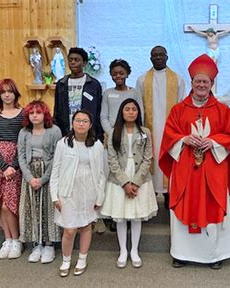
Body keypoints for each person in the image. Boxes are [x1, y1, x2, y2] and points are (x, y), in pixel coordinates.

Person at [159, 54, 230, 269]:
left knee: (212, 204)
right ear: (192, 83)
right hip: (185, 168)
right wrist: (183, 139)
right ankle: (181, 253)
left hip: (213, 169)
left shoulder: (222, 110)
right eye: (198, 81)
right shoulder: (178, 110)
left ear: (212, 84)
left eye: (206, 81)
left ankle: (215, 255)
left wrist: (214, 142)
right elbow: (168, 136)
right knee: (184, 204)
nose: (201, 85)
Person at [101, 99, 158, 268]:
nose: (131, 112)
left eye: (134, 109)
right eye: (127, 109)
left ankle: (134, 250)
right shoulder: (114, 132)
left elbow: (148, 158)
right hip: (119, 178)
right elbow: (111, 159)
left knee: (136, 215)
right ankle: (123, 250)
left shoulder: (145, 132)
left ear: (138, 112)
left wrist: (136, 181)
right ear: (122, 112)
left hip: (140, 177)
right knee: (121, 216)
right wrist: (125, 183)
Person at [50, 110, 105, 277]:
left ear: (90, 125)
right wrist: (55, 196)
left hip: (89, 191)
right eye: (78, 120)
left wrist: (100, 196)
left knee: (86, 226)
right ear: (72, 123)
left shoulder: (97, 145)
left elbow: (102, 173)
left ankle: (82, 258)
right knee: (69, 229)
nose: (81, 124)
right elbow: (56, 171)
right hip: (68, 192)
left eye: (85, 121)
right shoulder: (63, 143)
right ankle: (66, 260)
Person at [136, 46, 185, 208]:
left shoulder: (177, 80)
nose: (158, 57)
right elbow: (139, 107)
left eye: (161, 55)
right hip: (149, 131)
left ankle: (169, 195)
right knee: (151, 162)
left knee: (168, 163)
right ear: (150, 58)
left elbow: (181, 107)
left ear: (167, 57)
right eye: (155, 55)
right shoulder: (142, 80)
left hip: (170, 132)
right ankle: (150, 199)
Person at [17, 100, 62, 264]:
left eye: (38, 112)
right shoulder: (24, 132)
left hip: (48, 175)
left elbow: (58, 157)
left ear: (45, 114)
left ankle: (49, 244)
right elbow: (21, 156)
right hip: (30, 175)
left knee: (47, 208)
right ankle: (37, 244)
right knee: (33, 208)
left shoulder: (54, 131)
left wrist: (43, 179)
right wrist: (29, 178)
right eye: (31, 113)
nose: (35, 116)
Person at [0, 79, 24, 259]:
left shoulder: (23, 114)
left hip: (16, 162)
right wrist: (3, 166)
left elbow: (23, 142)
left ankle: (17, 240)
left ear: (15, 93)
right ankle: (7, 239)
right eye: (3, 92)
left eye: (10, 91)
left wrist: (13, 166)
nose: (7, 95)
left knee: (10, 204)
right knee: (0, 203)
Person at [53, 47, 103, 141]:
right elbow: (57, 111)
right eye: (70, 60)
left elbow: (98, 111)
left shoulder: (93, 84)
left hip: (88, 133)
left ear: (84, 63)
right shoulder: (61, 84)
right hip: (66, 132)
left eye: (76, 60)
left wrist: (99, 136)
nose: (73, 62)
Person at [101, 59, 143, 135]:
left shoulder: (134, 93)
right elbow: (104, 117)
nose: (118, 76)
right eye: (114, 74)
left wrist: (134, 133)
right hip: (112, 134)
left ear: (127, 74)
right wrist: (112, 133)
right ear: (111, 75)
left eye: (121, 73)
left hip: (132, 134)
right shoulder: (107, 93)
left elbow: (141, 114)